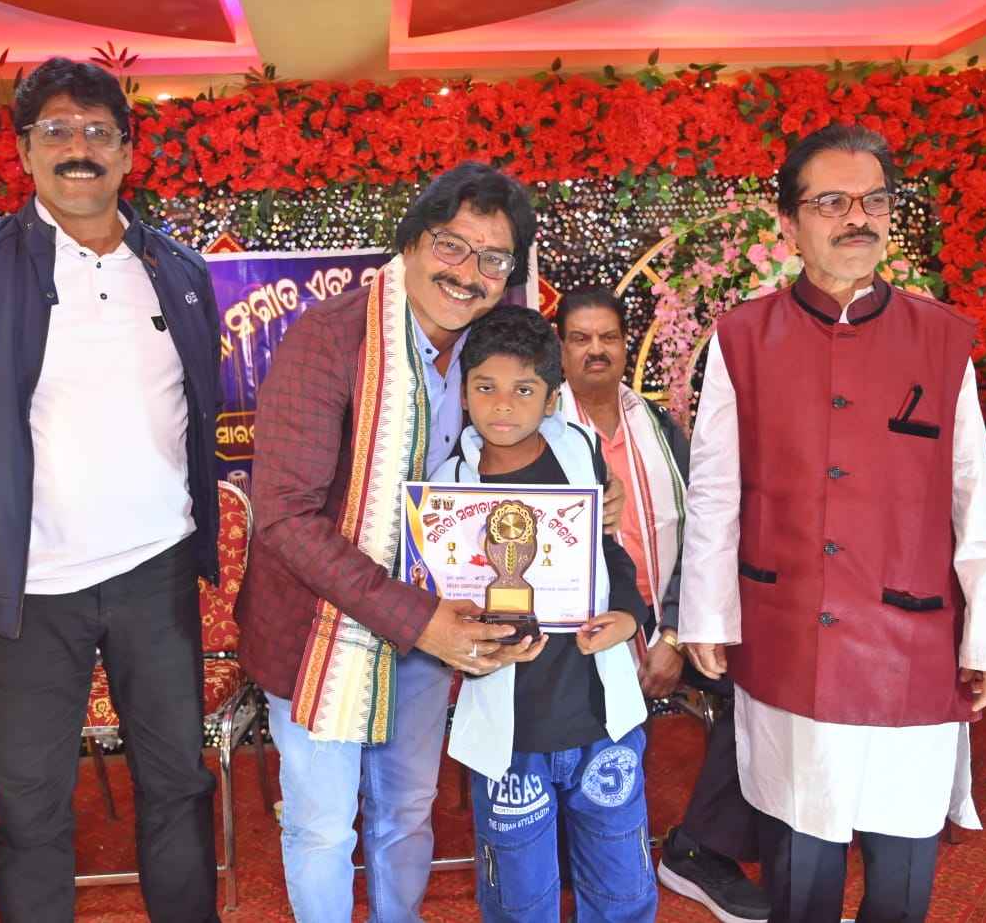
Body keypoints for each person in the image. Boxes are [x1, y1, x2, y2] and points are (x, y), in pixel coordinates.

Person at [238, 161, 624, 922]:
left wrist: (585, 501)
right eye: (452, 245)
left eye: (494, 258)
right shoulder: (331, 340)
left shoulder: (489, 352)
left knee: (407, 811)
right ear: (412, 241)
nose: (468, 273)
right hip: (321, 635)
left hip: (432, 627)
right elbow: (283, 515)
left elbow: (532, 450)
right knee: (322, 827)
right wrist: (419, 620)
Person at [0, 57, 222, 923]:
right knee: (32, 799)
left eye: (98, 132)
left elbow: (196, 408)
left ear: (128, 151)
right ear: (24, 150)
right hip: (30, 584)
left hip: (156, 571)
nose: (79, 148)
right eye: (58, 131)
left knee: (178, 781)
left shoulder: (179, 271)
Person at [680, 123, 986, 923]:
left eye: (873, 200)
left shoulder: (942, 339)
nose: (856, 217)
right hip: (789, 630)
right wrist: (706, 613)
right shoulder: (741, 338)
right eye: (831, 201)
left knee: (902, 862)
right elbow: (716, 490)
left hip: (911, 641)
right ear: (789, 221)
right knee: (800, 853)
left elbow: (973, 493)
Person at [555, 288, 770, 923]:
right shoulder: (540, 431)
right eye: (580, 339)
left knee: (759, 687)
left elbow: (705, 530)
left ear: (627, 346)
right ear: (559, 349)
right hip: (584, 631)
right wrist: (624, 633)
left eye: (608, 337)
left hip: (670, 620)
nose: (596, 350)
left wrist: (673, 633)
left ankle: (699, 848)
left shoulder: (658, 425)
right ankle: (583, 847)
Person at [436, 304, 655, 922]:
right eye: (486, 388)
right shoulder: (448, 487)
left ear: (553, 398)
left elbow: (611, 552)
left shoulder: (578, 450)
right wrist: (476, 645)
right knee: (520, 893)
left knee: (621, 883)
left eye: (524, 390)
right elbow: (442, 612)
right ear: (463, 392)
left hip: (598, 716)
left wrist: (629, 616)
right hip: (512, 734)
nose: (503, 406)